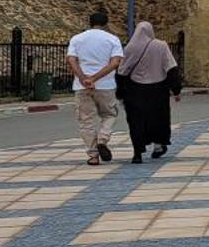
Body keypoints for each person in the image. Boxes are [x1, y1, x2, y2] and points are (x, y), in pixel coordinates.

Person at [116, 20, 181, 162]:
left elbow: (122, 71)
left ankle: (137, 152)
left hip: (135, 91)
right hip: (158, 90)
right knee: (158, 119)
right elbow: (171, 68)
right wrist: (176, 89)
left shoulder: (130, 48)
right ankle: (158, 146)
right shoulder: (161, 46)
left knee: (136, 121)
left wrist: (120, 92)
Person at [66, 9, 124, 165]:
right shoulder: (112, 39)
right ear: (106, 24)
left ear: (89, 23)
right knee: (110, 114)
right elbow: (115, 63)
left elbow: (72, 60)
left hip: (82, 86)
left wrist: (84, 78)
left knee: (86, 121)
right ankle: (103, 140)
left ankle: (93, 155)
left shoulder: (77, 39)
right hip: (105, 85)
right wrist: (95, 78)